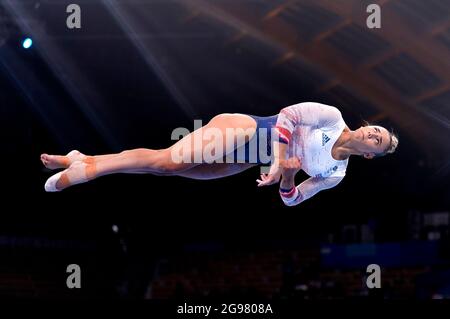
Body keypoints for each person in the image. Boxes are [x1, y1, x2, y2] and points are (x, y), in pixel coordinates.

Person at [41, 102, 398, 206]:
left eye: (378, 141)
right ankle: (87, 170)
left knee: (164, 169)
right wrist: (278, 162)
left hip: (244, 160)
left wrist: (288, 177)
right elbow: (289, 115)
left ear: (370, 155)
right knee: (167, 161)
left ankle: (83, 158)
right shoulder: (332, 117)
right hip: (246, 129)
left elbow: (293, 199)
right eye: (377, 129)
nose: (373, 134)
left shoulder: (336, 173)